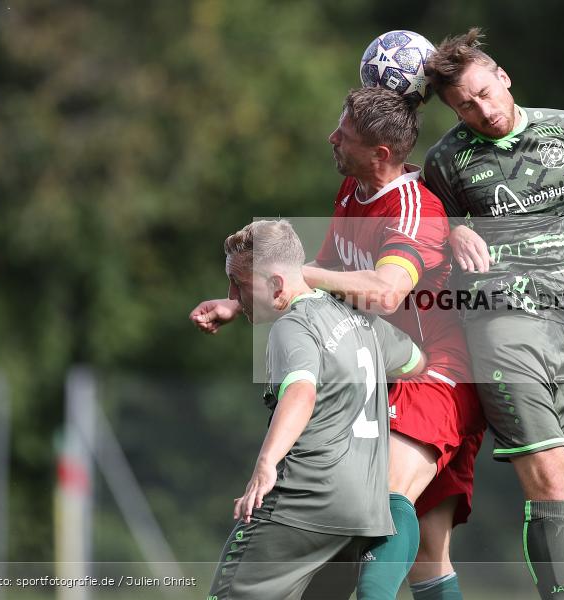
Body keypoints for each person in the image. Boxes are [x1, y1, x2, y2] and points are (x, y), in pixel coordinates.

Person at [192, 88, 486, 600]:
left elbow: (387, 288)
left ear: (381, 154)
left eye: (343, 135)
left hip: (435, 371)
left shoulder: (412, 208)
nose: (332, 138)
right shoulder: (353, 190)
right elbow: (327, 279)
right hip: (387, 369)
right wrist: (240, 302)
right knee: (425, 557)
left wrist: (286, 270)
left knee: (379, 500)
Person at [423, 28, 564, 599]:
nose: (481, 110)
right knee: (547, 478)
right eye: (464, 106)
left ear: (503, 77)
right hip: (499, 327)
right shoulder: (446, 160)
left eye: (483, 93)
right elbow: (429, 237)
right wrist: (454, 236)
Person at [205, 219, 426, 600]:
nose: (233, 295)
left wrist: (265, 464)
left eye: (239, 283)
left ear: (277, 285)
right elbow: (414, 361)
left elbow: (301, 392)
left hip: (304, 505)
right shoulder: (361, 319)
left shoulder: (291, 327)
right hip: (362, 515)